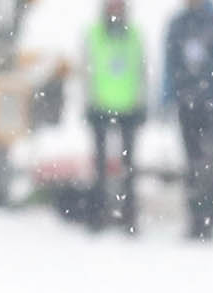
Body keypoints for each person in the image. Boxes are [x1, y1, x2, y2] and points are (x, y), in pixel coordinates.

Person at [152, 0, 213, 235]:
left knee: (209, 161)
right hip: (186, 103)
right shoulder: (178, 25)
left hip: (211, 103)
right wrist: (166, 98)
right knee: (191, 162)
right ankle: (194, 217)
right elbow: (169, 65)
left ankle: (208, 218)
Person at [78, 0, 138, 230]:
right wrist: (87, 102)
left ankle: (128, 215)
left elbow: (141, 69)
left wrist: (141, 103)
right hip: (100, 106)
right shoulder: (93, 35)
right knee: (100, 167)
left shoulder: (133, 35)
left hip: (128, 107)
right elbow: (86, 70)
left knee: (128, 167)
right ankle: (98, 214)